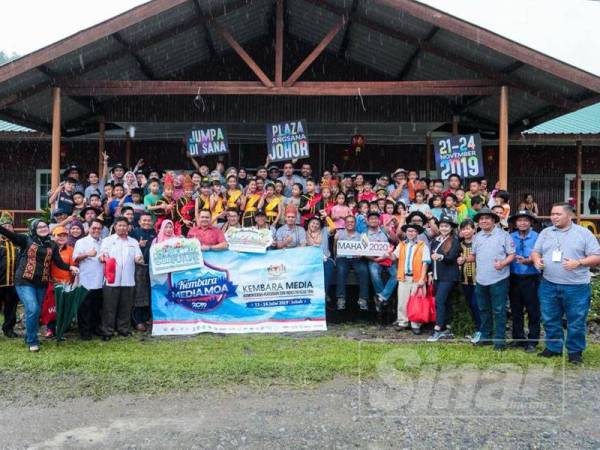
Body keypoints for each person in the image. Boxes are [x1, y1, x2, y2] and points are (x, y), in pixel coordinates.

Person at [531, 203, 600, 364]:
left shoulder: (583, 233)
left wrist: (579, 262)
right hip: (548, 284)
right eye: (552, 214)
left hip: (576, 287)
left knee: (576, 320)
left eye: (558, 214)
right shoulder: (546, 232)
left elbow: (597, 256)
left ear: (569, 216)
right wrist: (536, 260)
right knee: (549, 318)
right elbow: (536, 251)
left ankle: (575, 351)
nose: (553, 217)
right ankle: (554, 347)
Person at [0, 219, 78, 352]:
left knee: (35, 312)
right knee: (33, 308)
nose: (43, 228)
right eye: (39, 227)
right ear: (34, 229)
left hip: (41, 283)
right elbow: (10, 234)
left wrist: (70, 267)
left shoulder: (52, 244)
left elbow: (58, 262)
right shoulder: (26, 240)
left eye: (45, 226)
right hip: (24, 281)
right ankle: (32, 341)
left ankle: (28, 336)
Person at [467, 207, 515, 351]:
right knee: (483, 309)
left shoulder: (504, 235)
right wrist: (464, 259)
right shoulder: (477, 237)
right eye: (481, 219)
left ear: (494, 220)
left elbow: (512, 254)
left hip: (499, 279)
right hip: (481, 279)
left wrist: (503, 263)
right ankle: (486, 337)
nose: (484, 221)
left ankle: (500, 340)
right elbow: (474, 256)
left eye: (487, 218)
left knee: (499, 310)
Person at [99, 217, 144, 341]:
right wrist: (103, 257)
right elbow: (102, 254)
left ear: (128, 227)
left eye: (125, 225)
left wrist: (139, 259)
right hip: (111, 279)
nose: (122, 228)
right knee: (109, 307)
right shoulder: (107, 240)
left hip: (128, 279)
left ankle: (123, 329)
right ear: (115, 226)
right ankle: (107, 331)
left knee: (126, 306)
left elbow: (138, 255)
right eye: (120, 225)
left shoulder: (133, 242)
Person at [388, 222, 431, 334]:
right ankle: (403, 322)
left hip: (417, 278)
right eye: (408, 231)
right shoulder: (402, 245)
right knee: (402, 301)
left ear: (417, 233)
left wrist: (422, 278)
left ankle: (416, 324)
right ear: (406, 233)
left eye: (413, 231)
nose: (411, 233)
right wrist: (388, 253)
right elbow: (393, 257)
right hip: (404, 277)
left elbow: (425, 263)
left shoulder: (423, 245)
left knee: (417, 301)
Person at [507, 210, 540, 353]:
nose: (522, 223)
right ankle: (518, 338)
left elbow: (542, 254)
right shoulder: (510, 237)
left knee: (533, 310)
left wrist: (530, 261)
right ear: (515, 223)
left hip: (532, 277)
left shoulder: (538, 237)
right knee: (516, 310)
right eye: (519, 220)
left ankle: (532, 340)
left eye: (525, 220)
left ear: (531, 222)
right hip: (514, 277)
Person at [427, 215, 460, 342]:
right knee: (445, 302)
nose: (444, 228)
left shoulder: (454, 240)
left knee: (439, 301)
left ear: (451, 228)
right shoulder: (435, 240)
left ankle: (438, 329)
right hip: (436, 276)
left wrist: (440, 257)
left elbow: (451, 258)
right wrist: (430, 273)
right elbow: (431, 259)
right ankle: (447, 327)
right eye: (441, 226)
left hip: (449, 276)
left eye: (446, 226)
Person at [73, 218, 105, 340]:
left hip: (100, 280)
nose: (96, 230)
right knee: (84, 307)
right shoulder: (81, 242)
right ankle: (84, 332)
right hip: (86, 280)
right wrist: (87, 254)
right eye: (94, 228)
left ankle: (95, 328)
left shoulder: (104, 242)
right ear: (89, 228)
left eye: (99, 228)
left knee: (96, 307)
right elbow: (75, 259)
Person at [333, 215, 369, 311]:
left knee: (363, 270)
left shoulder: (361, 235)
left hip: (356, 258)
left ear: (355, 224)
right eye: (348, 221)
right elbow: (335, 248)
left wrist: (361, 254)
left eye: (352, 222)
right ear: (345, 223)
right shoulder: (339, 233)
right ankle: (341, 299)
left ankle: (363, 299)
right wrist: (335, 258)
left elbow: (365, 250)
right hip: (342, 258)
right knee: (341, 270)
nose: (350, 223)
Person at [364, 212, 397, 313]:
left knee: (396, 274)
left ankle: (381, 297)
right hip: (374, 259)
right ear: (367, 221)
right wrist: (374, 260)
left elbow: (395, 241)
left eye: (376, 219)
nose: (374, 220)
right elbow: (363, 252)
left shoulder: (384, 230)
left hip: (387, 259)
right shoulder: (364, 234)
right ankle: (383, 297)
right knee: (374, 273)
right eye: (371, 219)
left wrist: (390, 231)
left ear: (379, 221)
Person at [129, 213, 157, 332]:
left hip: (151, 268)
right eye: (144, 220)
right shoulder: (134, 233)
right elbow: (129, 249)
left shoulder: (154, 233)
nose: (147, 222)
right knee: (139, 295)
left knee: (149, 293)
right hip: (138, 268)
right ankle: (137, 320)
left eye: (149, 220)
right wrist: (138, 246)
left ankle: (146, 317)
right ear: (139, 222)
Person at [456, 219, 481, 343]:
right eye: (463, 229)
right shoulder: (458, 244)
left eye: (468, 228)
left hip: (479, 280)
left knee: (477, 304)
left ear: (474, 229)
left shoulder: (479, 242)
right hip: (464, 280)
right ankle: (476, 328)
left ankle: (481, 330)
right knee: (470, 305)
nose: (466, 231)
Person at [305, 216, 335, 302]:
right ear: (309, 224)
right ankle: (312, 294)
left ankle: (324, 294)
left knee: (329, 268)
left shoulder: (324, 231)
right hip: (311, 260)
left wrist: (326, 217)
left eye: (317, 223)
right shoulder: (304, 233)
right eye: (313, 223)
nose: (315, 225)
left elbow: (333, 227)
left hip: (326, 259)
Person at [0, 213, 19, 338]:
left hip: (14, 282)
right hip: (0, 281)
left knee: (11, 307)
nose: (7, 228)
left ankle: (9, 329)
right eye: (4, 226)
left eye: (10, 226)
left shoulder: (17, 242)